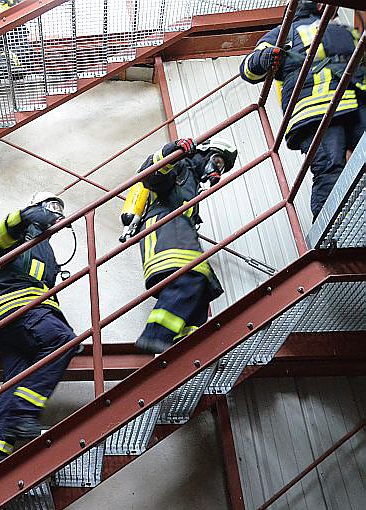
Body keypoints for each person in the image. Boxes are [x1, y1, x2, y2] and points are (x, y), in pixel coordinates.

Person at [0, 192, 78, 476]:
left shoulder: (47, 249)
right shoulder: (19, 233)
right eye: (52, 208)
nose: (57, 214)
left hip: (11, 325)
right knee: (63, 341)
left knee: (12, 387)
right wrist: (27, 215)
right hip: (19, 310)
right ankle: (23, 414)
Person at [239, 0, 366, 219]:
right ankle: (331, 229)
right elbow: (248, 69)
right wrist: (265, 57)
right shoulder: (284, 32)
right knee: (330, 167)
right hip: (316, 109)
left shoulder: (343, 30)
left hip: (354, 100)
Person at [133, 138, 236, 355]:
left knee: (204, 287)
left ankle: (186, 345)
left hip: (179, 232)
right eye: (218, 161)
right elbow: (150, 175)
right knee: (191, 277)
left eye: (222, 168)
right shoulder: (181, 166)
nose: (217, 170)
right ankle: (155, 335)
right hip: (163, 229)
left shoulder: (193, 184)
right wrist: (172, 151)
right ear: (205, 152)